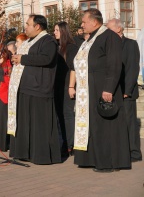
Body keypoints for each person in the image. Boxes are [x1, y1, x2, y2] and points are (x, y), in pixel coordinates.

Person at [70, 9, 130, 172]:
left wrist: (108, 89)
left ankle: (109, 162)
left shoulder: (109, 36)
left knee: (105, 126)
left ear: (94, 21)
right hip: (88, 89)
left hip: (102, 88)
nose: (81, 25)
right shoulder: (89, 40)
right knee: (93, 125)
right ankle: (92, 159)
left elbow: (115, 63)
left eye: (84, 21)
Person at [8, 14, 61, 165]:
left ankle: (41, 155)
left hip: (39, 89)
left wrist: (22, 59)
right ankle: (25, 152)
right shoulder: (28, 41)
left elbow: (47, 59)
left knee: (39, 126)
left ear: (37, 26)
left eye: (28, 24)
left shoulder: (48, 40)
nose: (25, 27)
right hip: (25, 87)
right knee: (26, 124)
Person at [107, 18, 142, 162]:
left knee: (129, 122)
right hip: (112, 91)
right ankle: (119, 151)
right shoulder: (108, 45)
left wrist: (127, 90)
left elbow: (132, 68)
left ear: (118, 29)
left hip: (126, 92)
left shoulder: (130, 44)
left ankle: (134, 153)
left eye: (109, 28)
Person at [53, 22, 79, 157]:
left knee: (67, 115)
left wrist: (71, 86)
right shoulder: (57, 47)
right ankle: (64, 142)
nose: (54, 32)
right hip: (57, 86)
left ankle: (71, 144)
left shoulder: (71, 47)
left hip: (67, 86)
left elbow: (73, 68)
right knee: (59, 116)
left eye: (57, 30)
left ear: (63, 31)